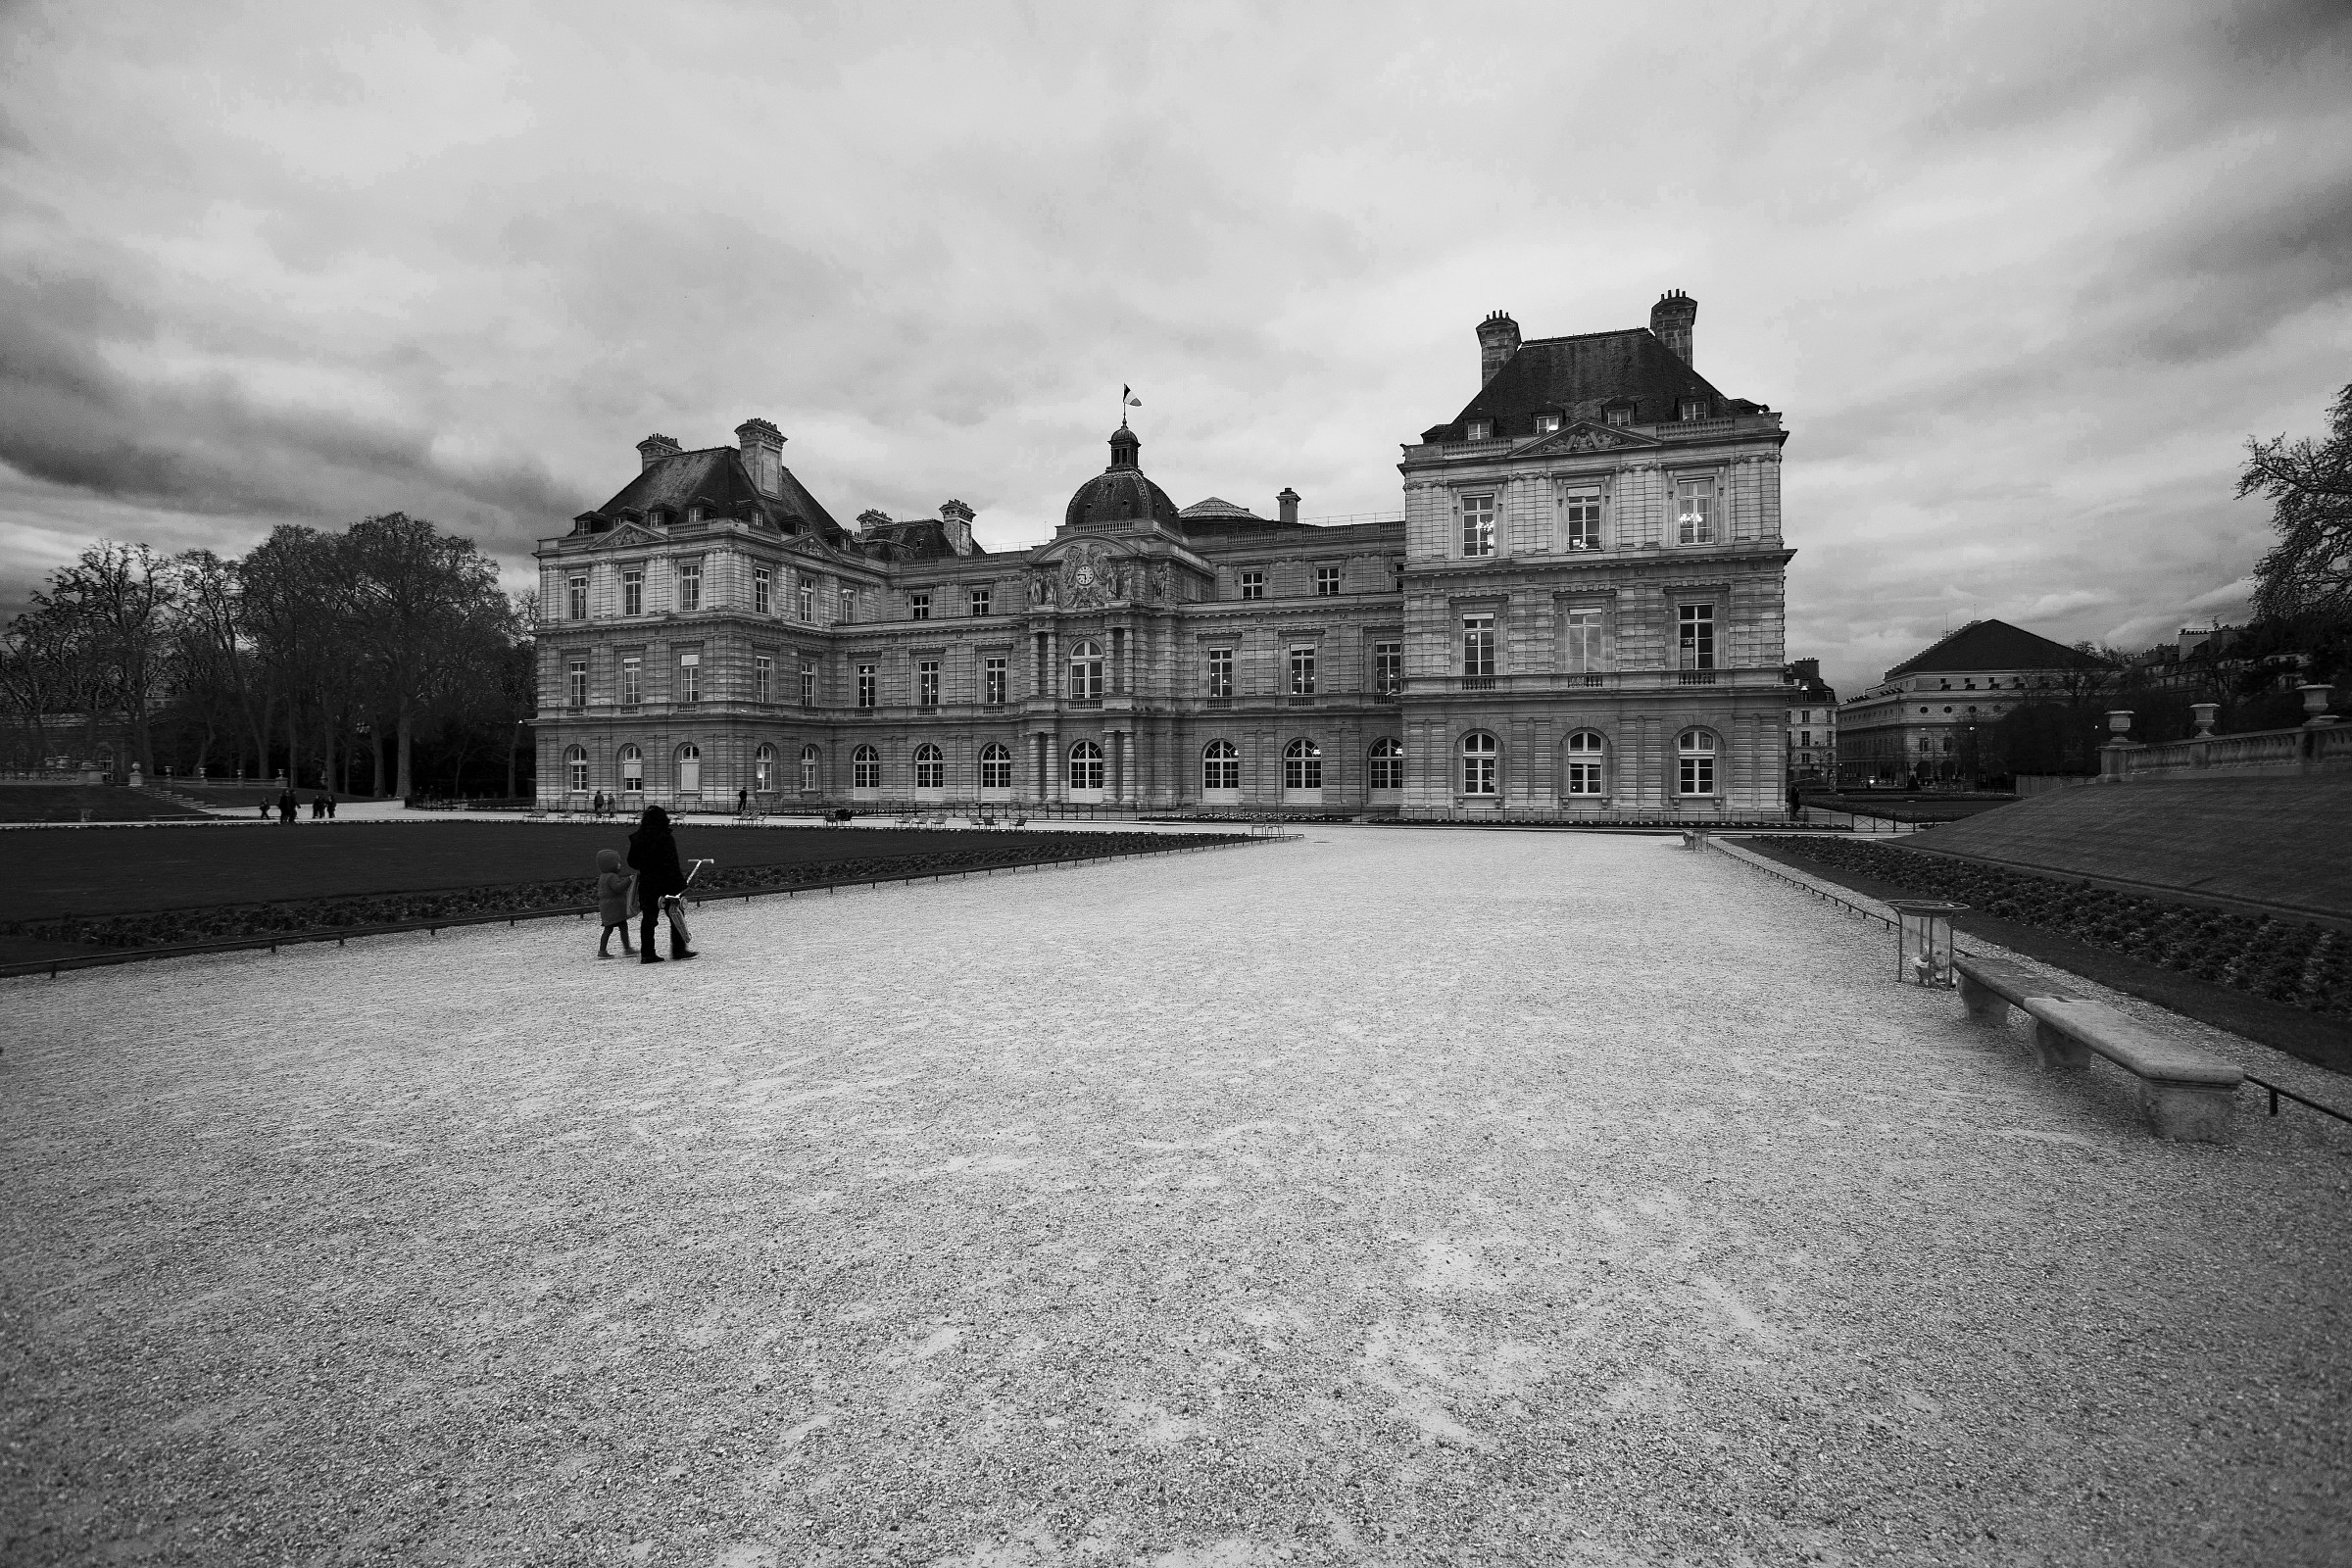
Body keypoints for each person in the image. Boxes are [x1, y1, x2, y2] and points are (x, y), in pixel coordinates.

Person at [626, 805, 694, 963]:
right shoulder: (666, 837)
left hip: (648, 882)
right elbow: (672, 863)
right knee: (676, 914)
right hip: (667, 882)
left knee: (648, 919)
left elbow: (632, 861)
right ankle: (678, 949)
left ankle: (647, 953)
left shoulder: (638, 838)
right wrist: (681, 885)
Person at [594, 849, 637, 958]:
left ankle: (602, 951)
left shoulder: (603, 876)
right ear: (611, 864)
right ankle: (627, 949)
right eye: (618, 862)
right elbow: (618, 888)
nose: (619, 865)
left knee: (608, 928)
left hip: (606, 908)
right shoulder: (612, 876)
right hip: (615, 908)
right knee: (622, 927)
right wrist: (629, 880)